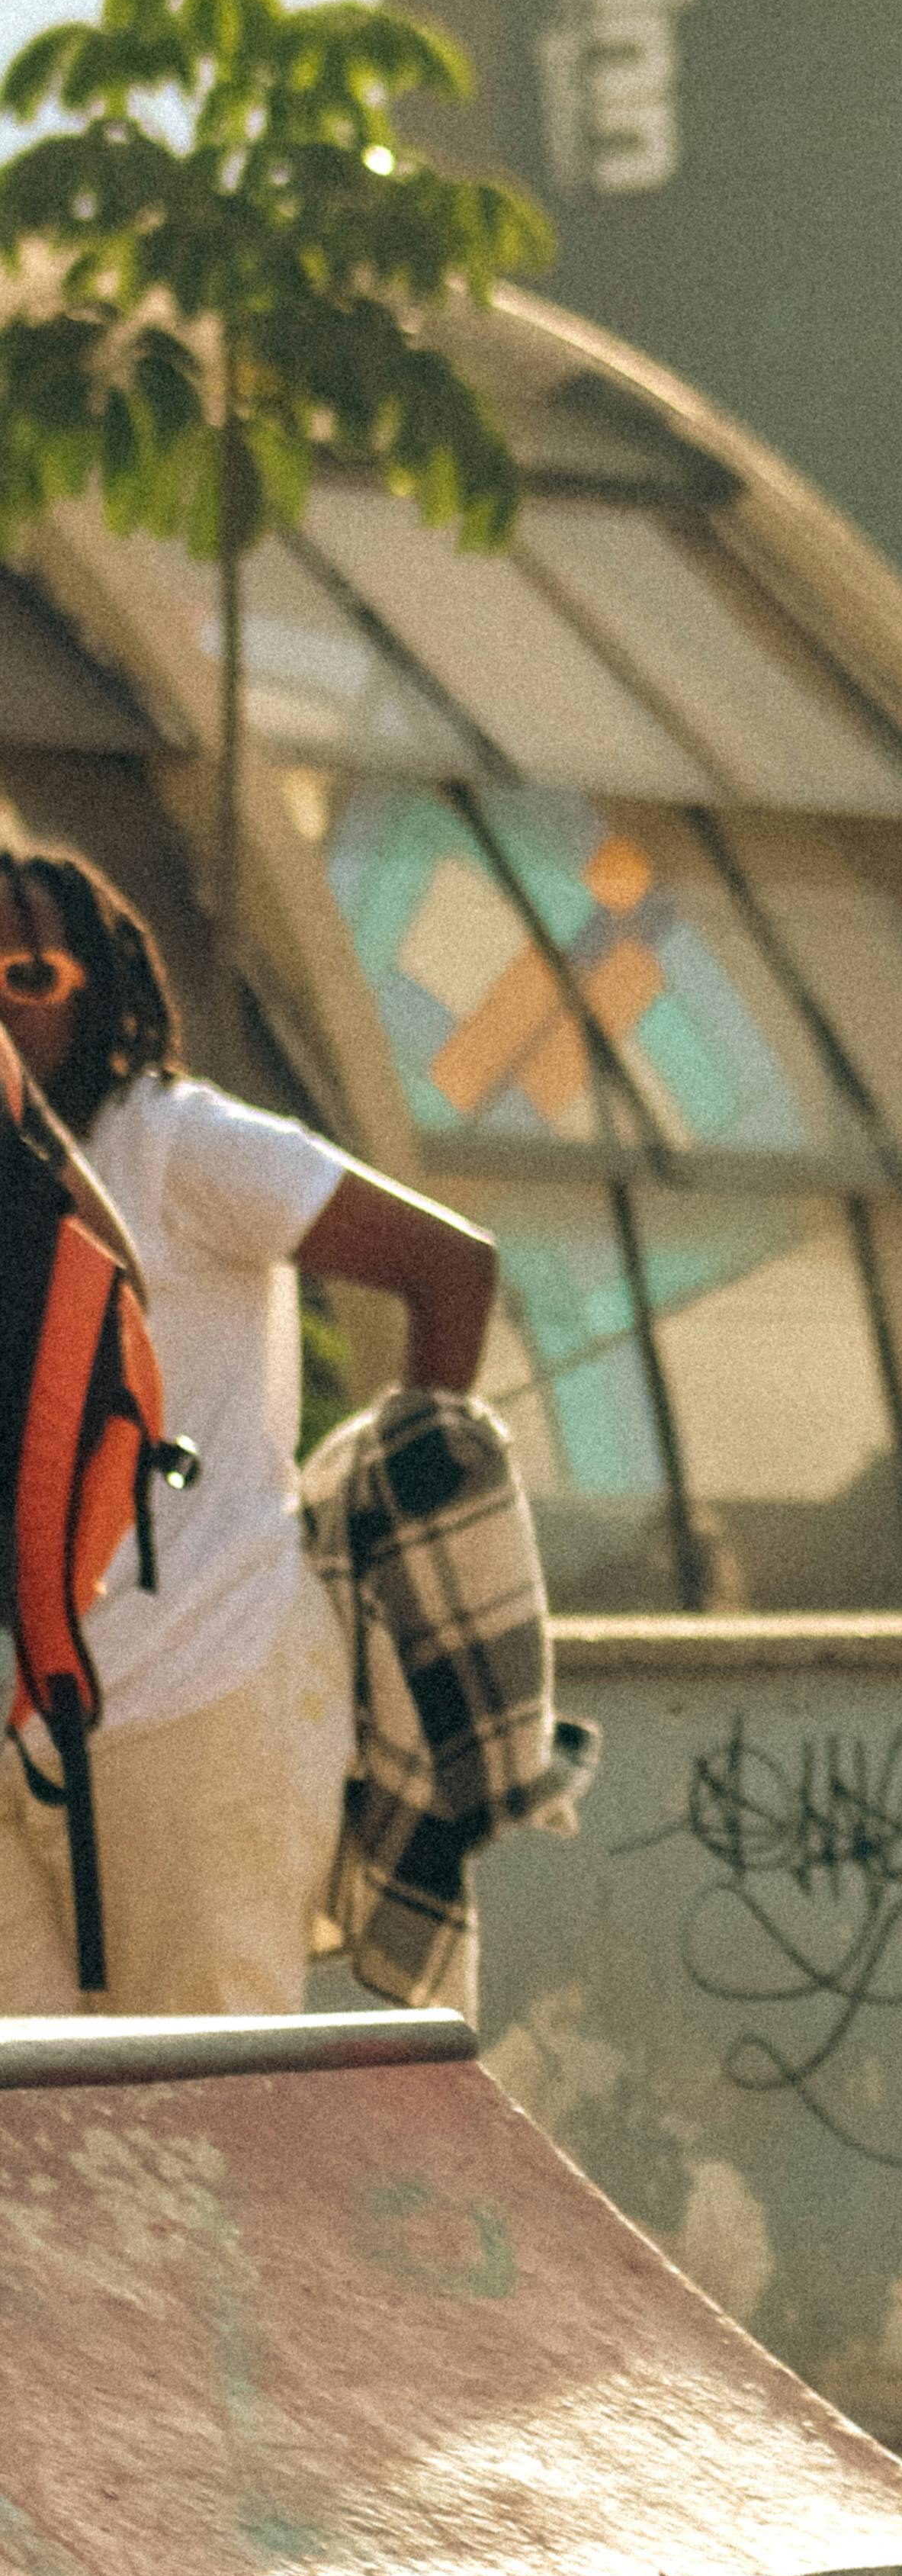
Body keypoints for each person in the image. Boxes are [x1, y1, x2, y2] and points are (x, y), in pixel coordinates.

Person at [0, 846, 498, 2018]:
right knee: (43, 2142)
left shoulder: (178, 1141)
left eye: (30, 974)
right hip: (35, 1725)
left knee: (208, 2119)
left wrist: (403, 1535)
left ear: (100, 990)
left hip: (203, 1697)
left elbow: (449, 1267)